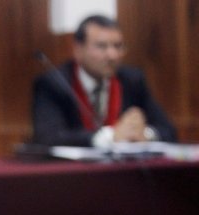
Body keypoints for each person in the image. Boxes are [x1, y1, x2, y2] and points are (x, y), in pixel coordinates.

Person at [32, 15, 177, 148]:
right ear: (78, 49)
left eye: (118, 46)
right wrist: (111, 136)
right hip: (73, 174)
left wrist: (144, 133)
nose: (112, 55)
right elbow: (49, 138)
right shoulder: (53, 83)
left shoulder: (132, 80)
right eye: (102, 46)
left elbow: (169, 131)